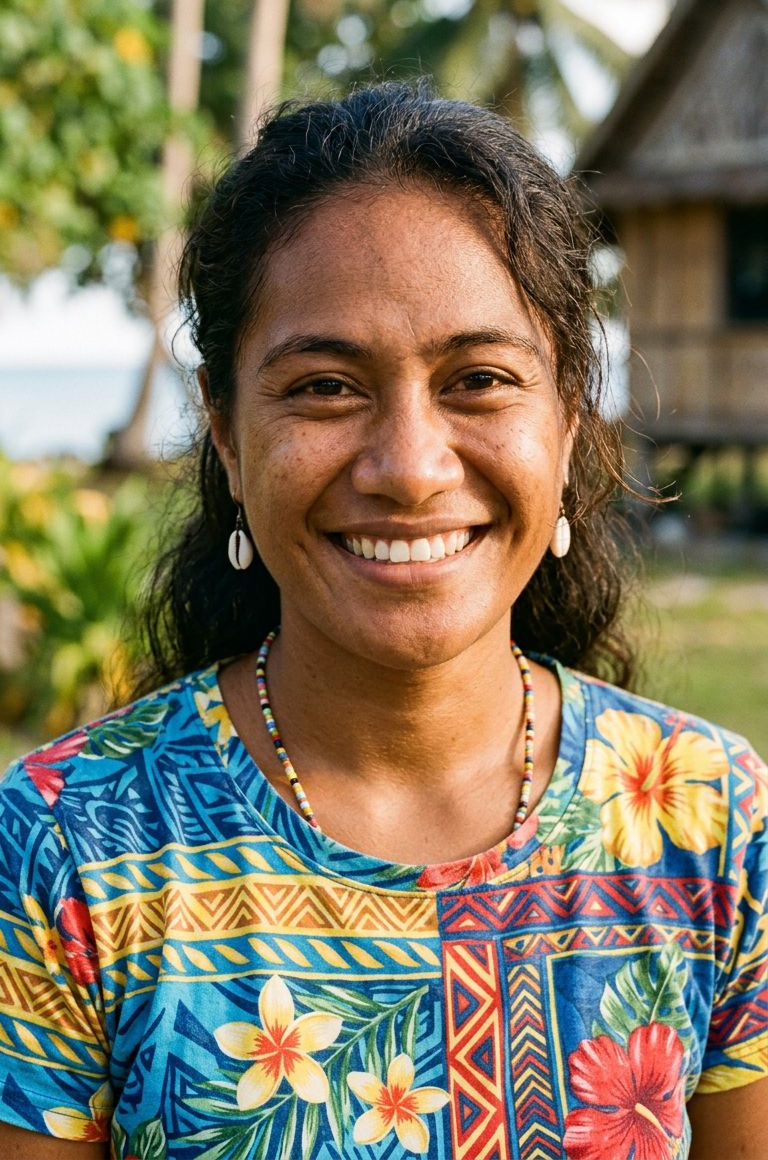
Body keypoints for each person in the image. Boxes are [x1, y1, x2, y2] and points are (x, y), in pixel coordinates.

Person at [0, 83, 765, 1160]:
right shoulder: (66, 847)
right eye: (324, 386)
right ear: (224, 432)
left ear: (569, 421)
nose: (410, 465)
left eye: (481, 379)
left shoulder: (715, 825)